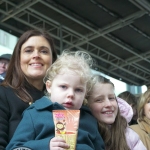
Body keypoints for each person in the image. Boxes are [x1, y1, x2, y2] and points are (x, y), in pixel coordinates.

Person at [6, 51, 105, 150]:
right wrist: (45, 145)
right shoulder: (34, 114)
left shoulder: (90, 120)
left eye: (78, 90)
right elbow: (14, 147)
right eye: (63, 87)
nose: (71, 94)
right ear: (49, 87)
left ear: (85, 94)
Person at [0, 29, 57, 149]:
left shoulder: (65, 99)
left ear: (53, 60)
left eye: (44, 51)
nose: (36, 55)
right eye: (28, 50)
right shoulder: (3, 94)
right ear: (18, 58)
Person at [87, 75, 146, 150]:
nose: (108, 104)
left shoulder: (128, 135)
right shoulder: (81, 132)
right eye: (99, 100)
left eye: (111, 98)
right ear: (87, 104)